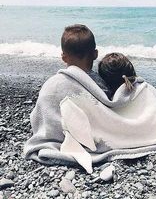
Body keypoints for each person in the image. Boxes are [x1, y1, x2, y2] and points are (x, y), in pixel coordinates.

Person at [24, 24, 110, 162]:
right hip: (92, 138)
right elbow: (107, 111)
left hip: (56, 136)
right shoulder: (100, 84)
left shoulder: (52, 84)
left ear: (64, 57)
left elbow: (39, 113)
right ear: (95, 54)